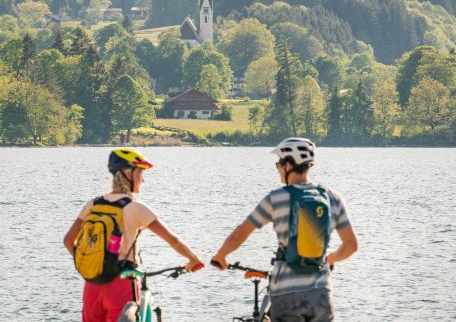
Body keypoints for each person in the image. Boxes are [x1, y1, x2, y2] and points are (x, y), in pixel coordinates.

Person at [211, 137, 358, 322]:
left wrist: (220, 256)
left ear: (288, 164)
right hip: (321, 293)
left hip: (287, 294)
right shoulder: (333, 197)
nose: (278, 169)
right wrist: (329, 259)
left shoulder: (277, 198)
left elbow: (239, 233)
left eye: (279, 164)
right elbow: (351, 246)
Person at [64, 148, 203, 322]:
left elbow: (69, 240)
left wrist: (89, 263)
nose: (142, 180)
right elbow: (173, 240)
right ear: (128, 173)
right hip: (121, 285)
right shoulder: (135, 207)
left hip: (92, 286)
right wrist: (193, 259)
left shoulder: (93, 204)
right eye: (140, 173)